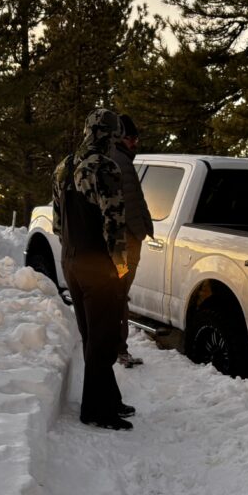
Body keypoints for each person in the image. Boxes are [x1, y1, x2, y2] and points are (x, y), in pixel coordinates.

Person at [53, 108, 135, 430]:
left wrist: (71, 253)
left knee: (92, 335)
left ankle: (109, 398)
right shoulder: (104, 168)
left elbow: (59, 221)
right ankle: (96, 411)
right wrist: (121, 269)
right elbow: (114, 226)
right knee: (102, 339)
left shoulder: (65, 165)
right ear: (111, 136)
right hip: (97, 265)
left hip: (71, 260)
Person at [107, 113, 153, 368]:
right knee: (119, 295)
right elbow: (122, 205)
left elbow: (136, 201)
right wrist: (139, 231)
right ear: (118, 137)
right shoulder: (119, 162)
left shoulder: (123, 160)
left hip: (127, 242)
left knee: (119, 295)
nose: (134, 142)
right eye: (129, 137)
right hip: (123, 247)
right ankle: (118, 349)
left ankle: (117, 347)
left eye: (136, 137)